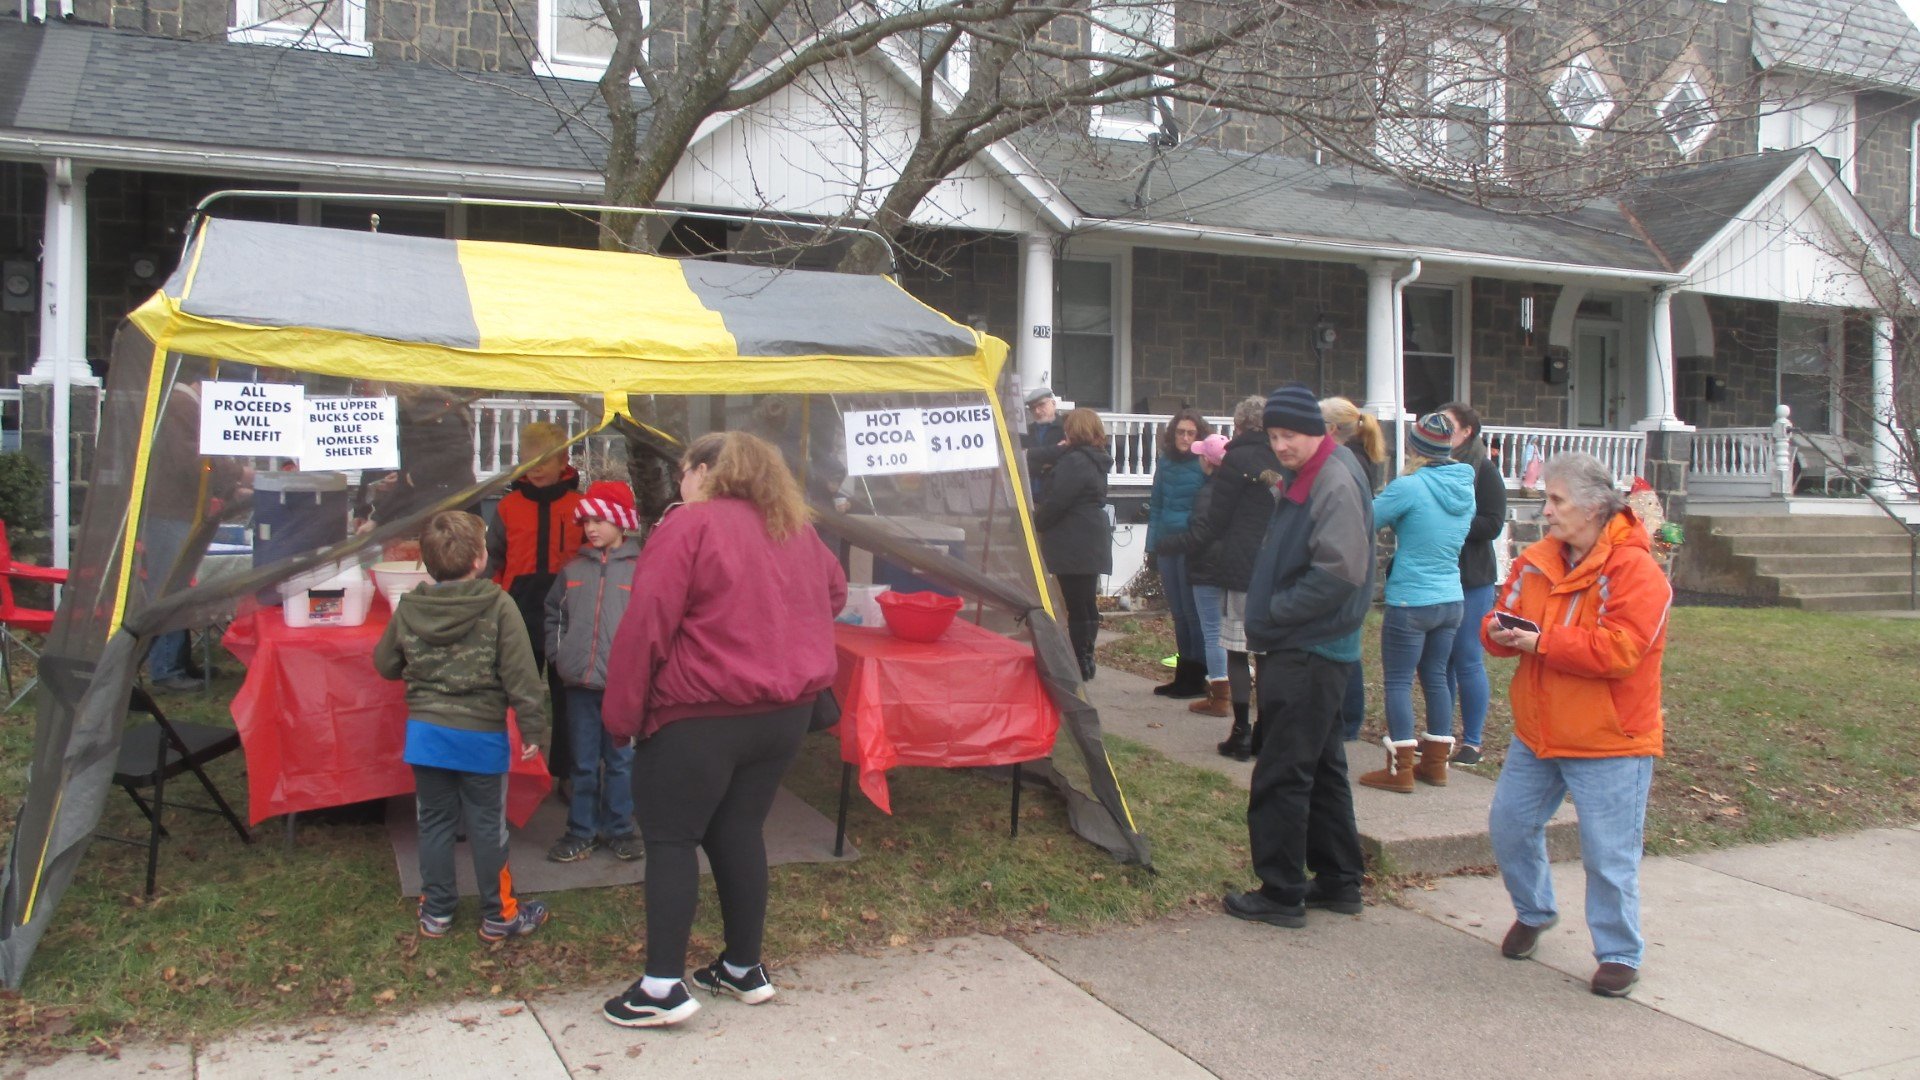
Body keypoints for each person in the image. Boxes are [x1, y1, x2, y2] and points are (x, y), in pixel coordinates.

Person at [600, 431, 846, 1029]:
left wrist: (620, 715)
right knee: (738, 829)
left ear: (706, 470)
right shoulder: (797, 529)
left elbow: (646, 625)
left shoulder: (689, 525)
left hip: (700, 713)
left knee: (671, 838)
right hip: (782, 715)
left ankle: (661, 988)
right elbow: (833, 594)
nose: (681, 482)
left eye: (684, 471)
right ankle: (742, 967)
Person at [1484, 452, 1670, 999]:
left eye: (1555, 500)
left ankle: (1619, 953)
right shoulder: (1537, 559)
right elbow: (1501, 614)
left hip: (1612, 741)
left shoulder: (1636, 570)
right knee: (1509, 826)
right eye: (1546, 499)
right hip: (1538, 732)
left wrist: (1541, 641)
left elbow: (1622, 650)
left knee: (1608, 853)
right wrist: (1498, 632)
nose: (1545, 511)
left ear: (1592, 507)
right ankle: (1534, 911)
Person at [1224, 383, 1372, 929]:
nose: (1281, 445)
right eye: (1274, 435)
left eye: (1290, 435)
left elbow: (1340, 570)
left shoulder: (1332, 479)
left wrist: (1277, 613)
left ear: (1318, 432)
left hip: (1308, 647)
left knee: (1283, 770)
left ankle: (1281, 891)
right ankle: (1338, 880)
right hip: (1314, 645)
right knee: (1325, 767)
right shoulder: (1315, 473)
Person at [373, 510, 551, 944]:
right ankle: (499, 916)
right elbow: (522, 674)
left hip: (427, 735)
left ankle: (436, 912)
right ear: (479, 558)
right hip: (481, 736)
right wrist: (533, 729)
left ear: (426, 562)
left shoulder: (411, 605)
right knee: (487, 825)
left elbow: (385, 664)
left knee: (433, 823)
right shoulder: (497, 603)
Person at [1356, 413, 1475, 794]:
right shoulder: (1465, 485)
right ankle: (1436, 765)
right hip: (1451, 597)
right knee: (1437, 677)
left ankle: (1400, 769)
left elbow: (1365, 519)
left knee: (1398, 681)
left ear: (1414, 447)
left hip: (1411, 598)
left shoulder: (1409, 486)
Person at [543, 481, 645, 864]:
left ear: (622, 522)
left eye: (600, 519)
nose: (591, 528)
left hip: (622, 687)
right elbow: (555, 613)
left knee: (620, 761)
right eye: (587, 520)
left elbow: (651, 624)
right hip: (580, 686)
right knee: (582, 763)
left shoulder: (642, 571)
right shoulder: (572, 570)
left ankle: (620, 829)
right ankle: (580, 830)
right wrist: (560, 655)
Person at [487, 422, 585, 781]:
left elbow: (592, 557)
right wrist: (491, 602)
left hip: (568, 613)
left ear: (564, 460)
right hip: (517, 612)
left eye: (545, 460)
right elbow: (493, 560)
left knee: (567, 696)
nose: (537, 467)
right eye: (529, 460)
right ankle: (512, 768)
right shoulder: (508, 507)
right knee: (514, 691)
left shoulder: (580, 506)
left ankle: (568, 773)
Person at [1440, 402, 1507, 766]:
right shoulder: (1431, 468)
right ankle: (1440, 735)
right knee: (1440, 660)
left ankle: (1473, 742)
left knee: (1467, 657)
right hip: (1437, 576)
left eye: (1448, 425)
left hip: (1472, 577)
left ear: (1467, 432)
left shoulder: (1483, 470)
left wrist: (1449, 526)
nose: (1441, 429)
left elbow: (1493, 523)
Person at [1318, 396, 1387, 741]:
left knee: (1345, 649)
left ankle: (1348, 720)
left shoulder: (1347, 463)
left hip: (1350, 562)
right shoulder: (1359, 457)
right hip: (1354, 558)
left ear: (1331, 429)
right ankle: (1347, 718)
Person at [1033, 409, 1113, 682]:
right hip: (1091, 534)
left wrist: (1037, 522)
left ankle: (1081, 659)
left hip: (1073, 536)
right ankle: (1086, 656)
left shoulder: (1075, 461)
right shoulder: (1096, 459)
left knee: (1076, 603)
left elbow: (1058, 500)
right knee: (1086, 602)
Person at [1158, 432, 1232, 719]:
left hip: (1206, 567)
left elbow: (1200, 534)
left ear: (1208, 462)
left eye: (1202, 455)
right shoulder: (1232, 490)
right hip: (1228, 567)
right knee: (1224, 630)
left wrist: (1169, 544)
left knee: (1211, 631)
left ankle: (1218, 693)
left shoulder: (1207, 494)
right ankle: (1219, 688)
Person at [1146, 409, 1214, 700]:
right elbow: (1157, 505)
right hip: (1166, 543)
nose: (1185, 438)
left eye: (1190, 433)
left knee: (1192, 613)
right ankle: (1182, 673)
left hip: (1191, 544)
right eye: (1180, 432)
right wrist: (1151, 546)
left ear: (1199, 436)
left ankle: (1198, 676)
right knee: (1177, 613)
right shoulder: (1165, 462)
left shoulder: (1204, 464)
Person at [1023, 387, 1064, 502]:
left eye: (1041, 405)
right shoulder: (1026, 432)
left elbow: (1063, 456)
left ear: (1053, 403)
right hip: (1029, 496)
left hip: (1055, 496)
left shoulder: (1065, 428)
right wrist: (1041, 466)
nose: (1037, 411)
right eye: (1032, 408)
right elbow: (1018, 459)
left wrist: (1029, 453)